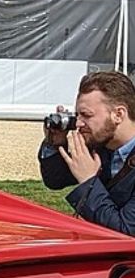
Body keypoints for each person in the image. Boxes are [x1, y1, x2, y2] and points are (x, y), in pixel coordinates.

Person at [41, 71, 135, 236]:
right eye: (77, 115)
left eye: (86, 115)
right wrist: (54, 143)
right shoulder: (101, 146)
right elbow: (55, 180)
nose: (78, 123)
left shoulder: (99, 145)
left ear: (118, 115)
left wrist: (88, 180)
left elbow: (125, 231)